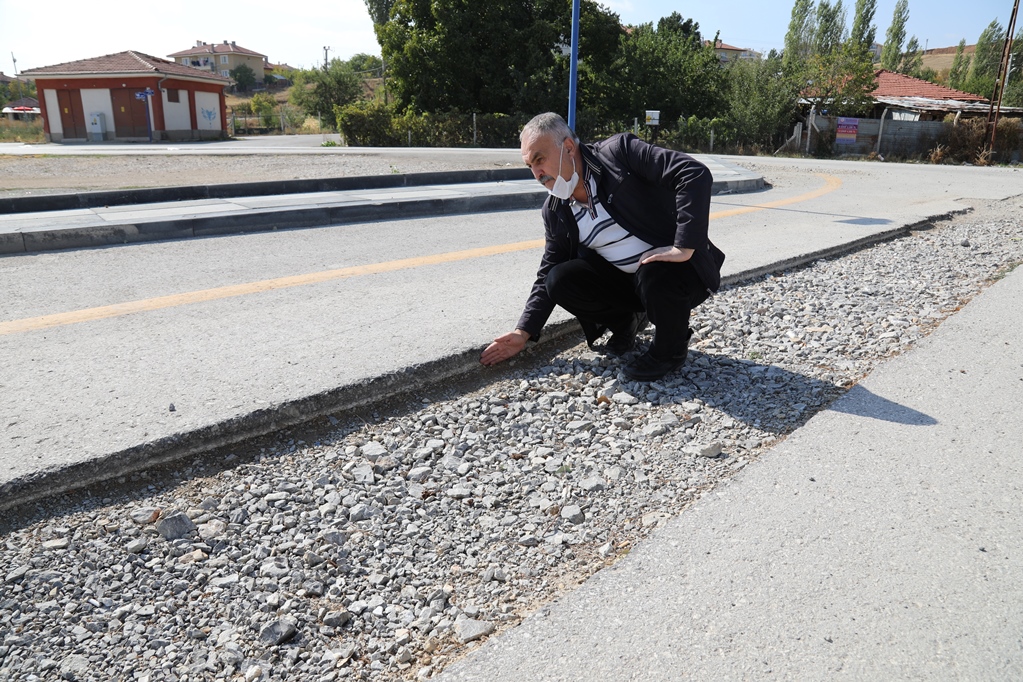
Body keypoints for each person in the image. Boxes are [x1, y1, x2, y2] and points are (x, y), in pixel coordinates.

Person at [480, 112, 725, 382]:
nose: (537, 173)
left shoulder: (620, 155)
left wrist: (684, 246)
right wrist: (523, 332)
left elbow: (693, 173)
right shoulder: (556, 210)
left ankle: (670, 350)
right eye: (530, 166)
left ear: (569, 148)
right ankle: (625, 323)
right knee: (558, 279)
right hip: (629, 284)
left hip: (677, 274)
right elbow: (548, 269)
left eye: (540, 159)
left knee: (653, 272)